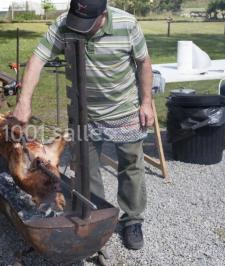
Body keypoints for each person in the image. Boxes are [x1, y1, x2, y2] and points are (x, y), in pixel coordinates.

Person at [12, 0, 153, 250]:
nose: (82, 29)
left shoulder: (128, 25)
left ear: (104, 14)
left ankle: (132, 220)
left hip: (125, 110)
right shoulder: (65, 24)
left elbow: (143, 62)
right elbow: (37, 59)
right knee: (87, 168)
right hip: (83, 112)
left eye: (88, 24)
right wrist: (24, 101)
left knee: (131, 165)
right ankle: (96, 216)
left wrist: (146, 102)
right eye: (78, 23)